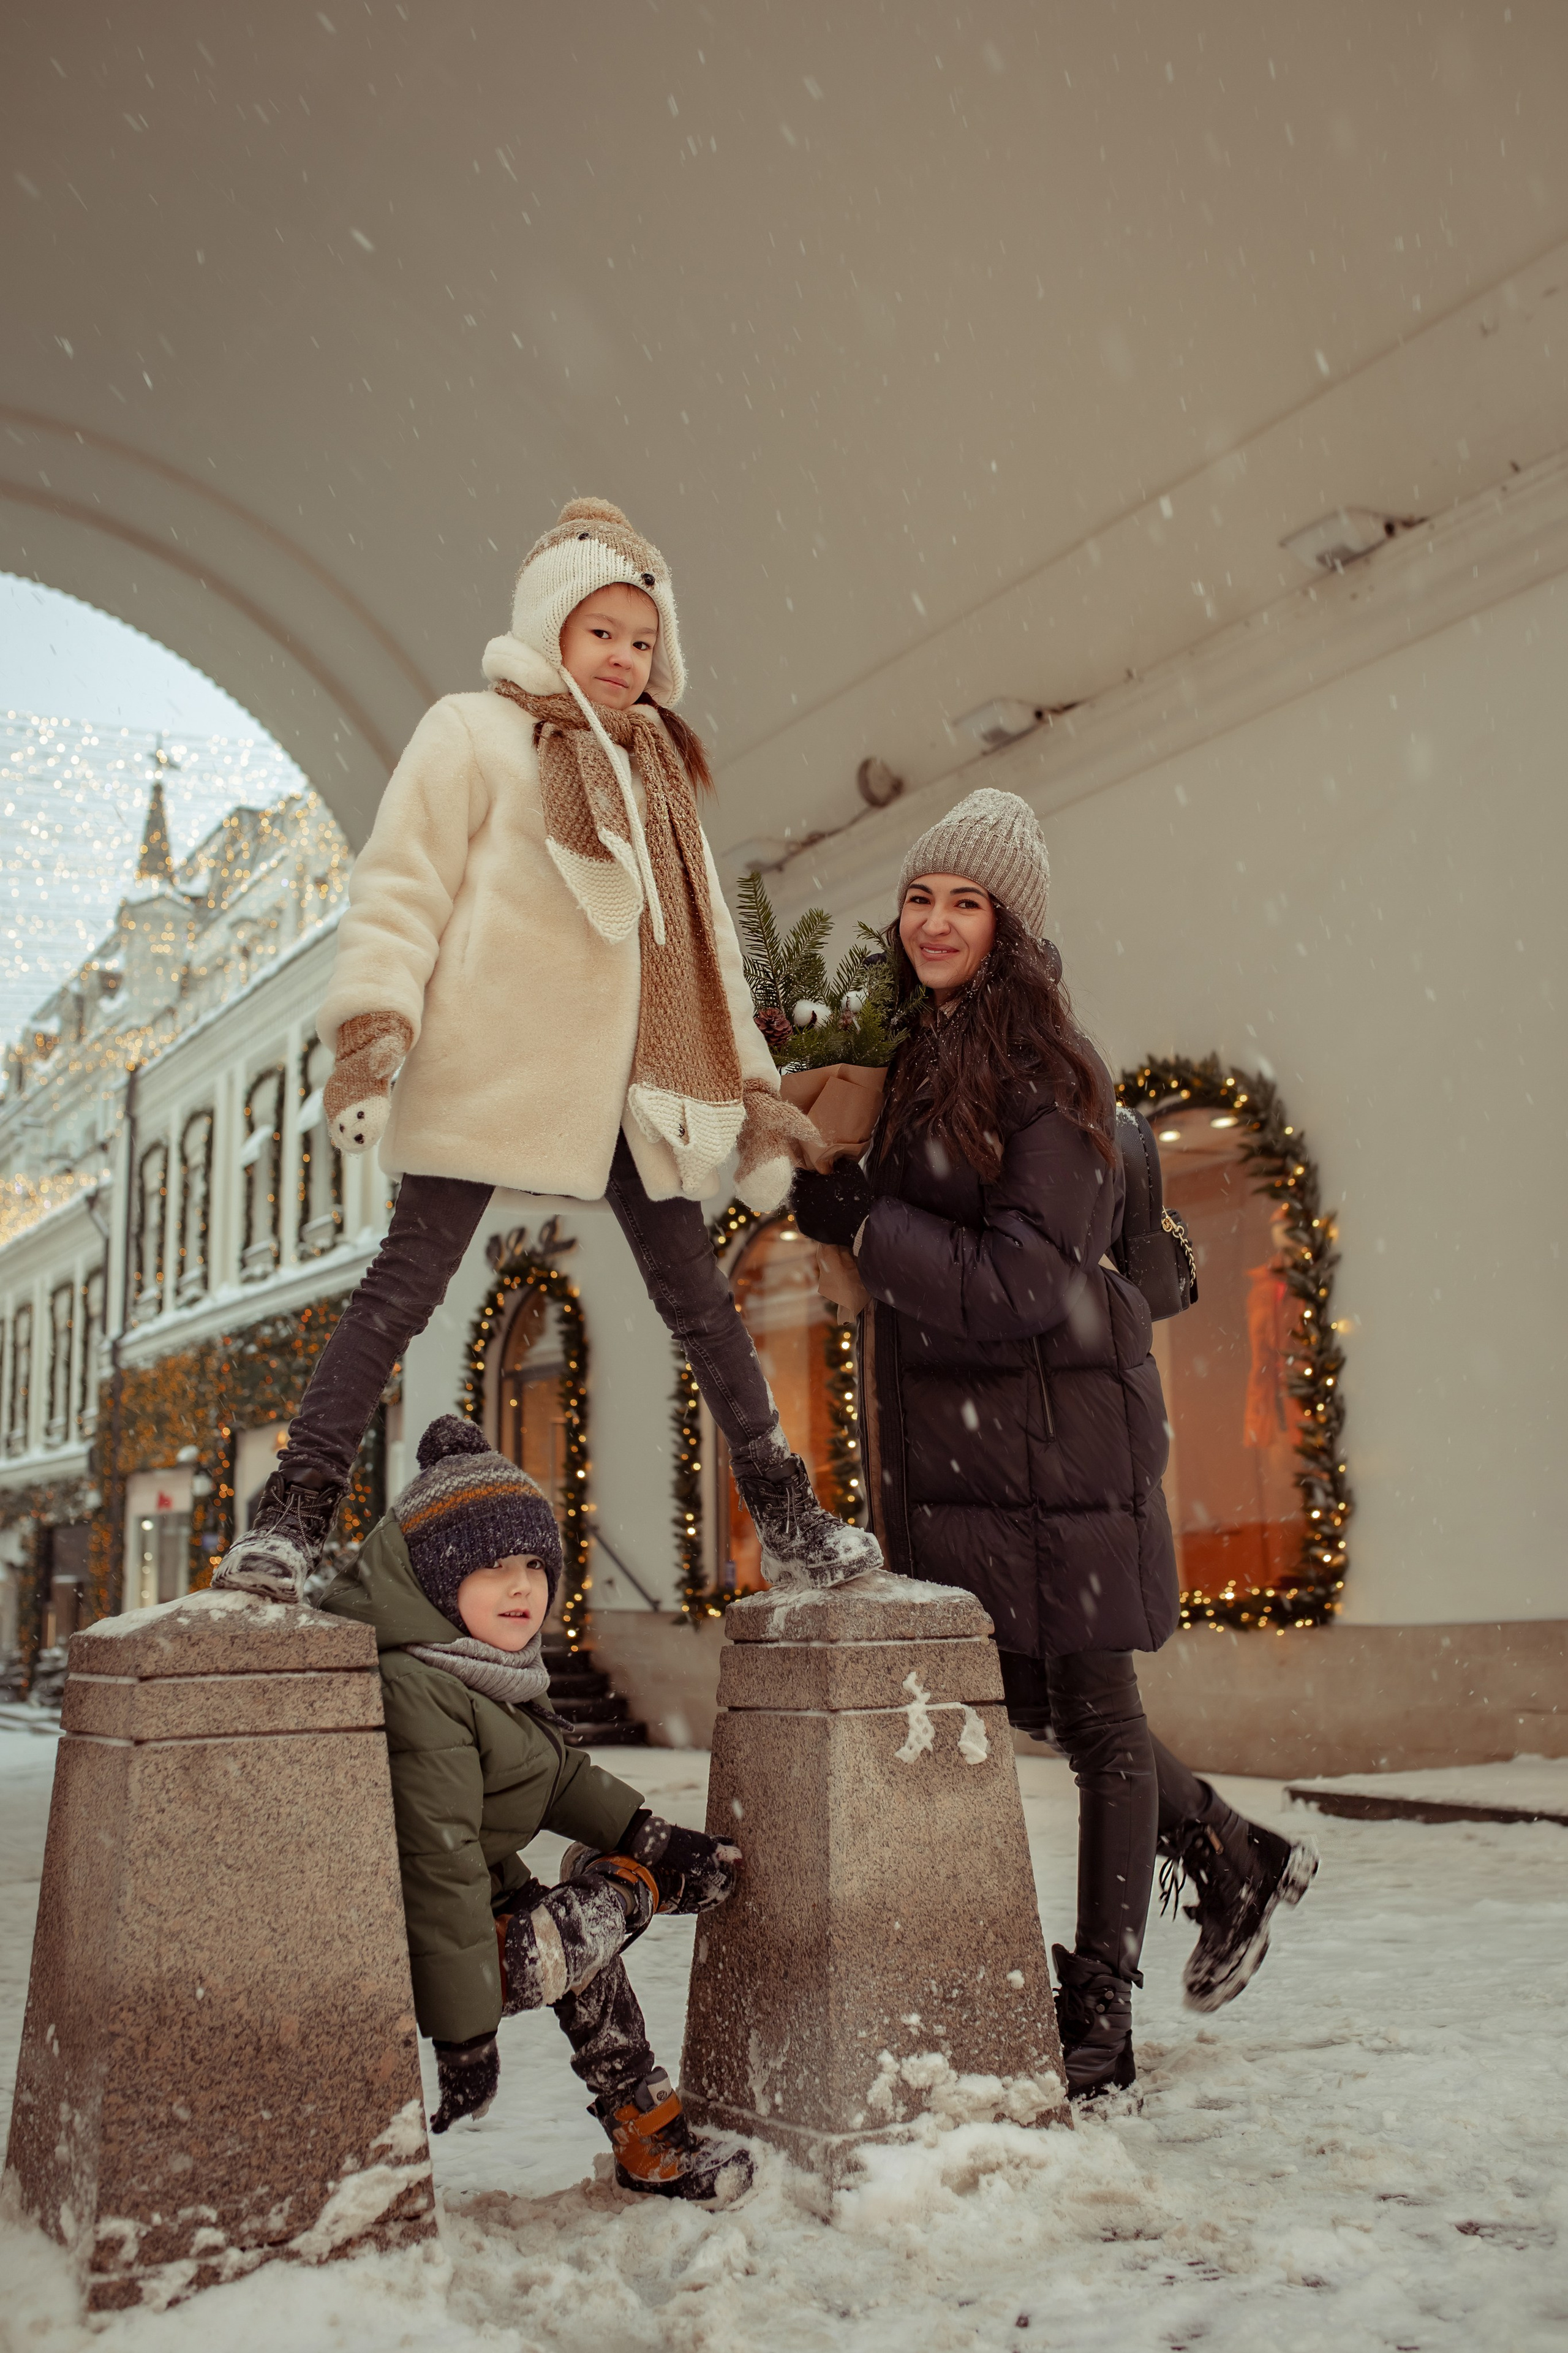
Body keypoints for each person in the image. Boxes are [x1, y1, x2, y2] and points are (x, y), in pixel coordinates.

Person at [216, 496, 878, 1601]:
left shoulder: (660, 766)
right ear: (551, 629)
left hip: (636, 1082)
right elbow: (400, 886)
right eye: (602, 632)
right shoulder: (472, 731)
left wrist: (754, 1093)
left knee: (703, 1305)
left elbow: (707, 943)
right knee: (402, 1290)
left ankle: (792, 1520)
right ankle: (288, 1516)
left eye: (643, 638)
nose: (624, 658)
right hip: (496, 1065)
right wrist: (376, 1027)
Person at [790, 787, 1316, 2099]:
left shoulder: (1052, 1077)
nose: (933, 921)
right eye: (919, 896)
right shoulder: (915, 1054)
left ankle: (1099, 2007)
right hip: (967, 1453)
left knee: (1093, 1711)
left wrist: (866, 1225)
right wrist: (829, 1194)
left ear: (1008, 924)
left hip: (1063, 1443)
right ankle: (1233, 1856)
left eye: (964, 902)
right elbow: (924, 1252)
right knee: (1025, 1702)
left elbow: (1022, 1281)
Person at [320, 1413, 752, 2200]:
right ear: (434, 1581)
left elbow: (553, 1778)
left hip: (483, 1911)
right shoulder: (420, 1685)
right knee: (593, 1917)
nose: (521, 1586)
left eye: (533, 1563)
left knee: (589, 1964)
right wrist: (464, 2035)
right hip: (430, 1945)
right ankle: (634, 1886)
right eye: (490, 1569)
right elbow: (438, 1860)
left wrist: (649, 1832)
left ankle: (648, 2136)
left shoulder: (483, 1667)